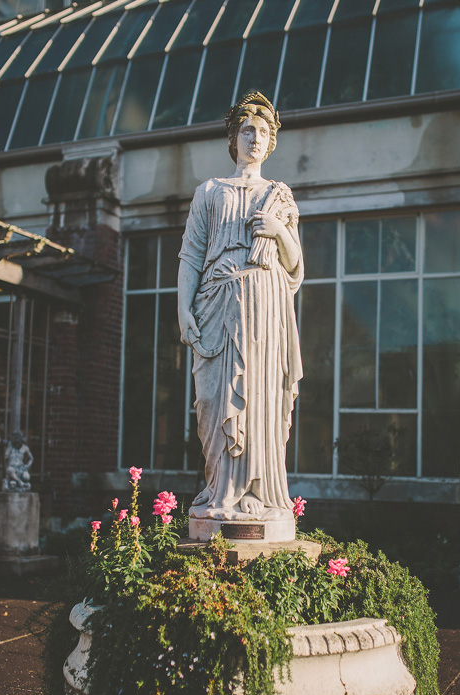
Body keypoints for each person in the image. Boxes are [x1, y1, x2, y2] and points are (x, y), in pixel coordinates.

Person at [178, 92, 304, 526]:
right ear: (233, 139)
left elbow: (295, 265)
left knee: (262, 395)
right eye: (247, 130)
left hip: (264, 305)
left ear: (271, 144)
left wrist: (278, 231)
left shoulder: (279, 196)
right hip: (215, 303)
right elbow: (192, 255)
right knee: (212, 400)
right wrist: (183, 308)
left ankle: (256, 489)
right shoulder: (209, 191)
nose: (255, 138)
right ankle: (221, 488)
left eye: (263, 132)